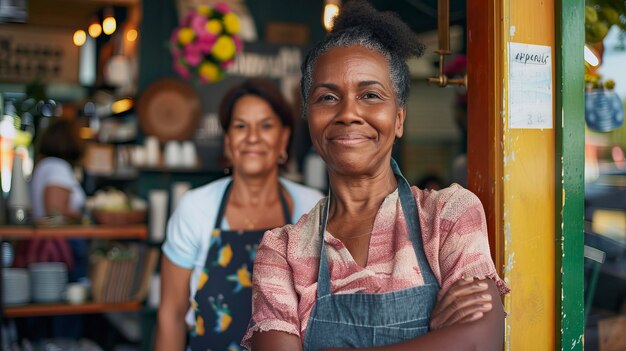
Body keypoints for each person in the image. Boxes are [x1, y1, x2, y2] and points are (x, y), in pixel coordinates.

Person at [244, 2, 508, 350]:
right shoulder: (282, 251)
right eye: (327, 97)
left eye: (370, 95)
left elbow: (481, 343)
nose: (349, 113)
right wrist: (435, 338)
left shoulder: (448, 216)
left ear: (398, 119)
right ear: (309, 118)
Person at [156, 78, 324, 351]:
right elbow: (171, 315)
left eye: (266, 125)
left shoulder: (312, 207)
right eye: (241, 126)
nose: (253, 137)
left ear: (283, 138)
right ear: (228, 141)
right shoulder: (196, 208)